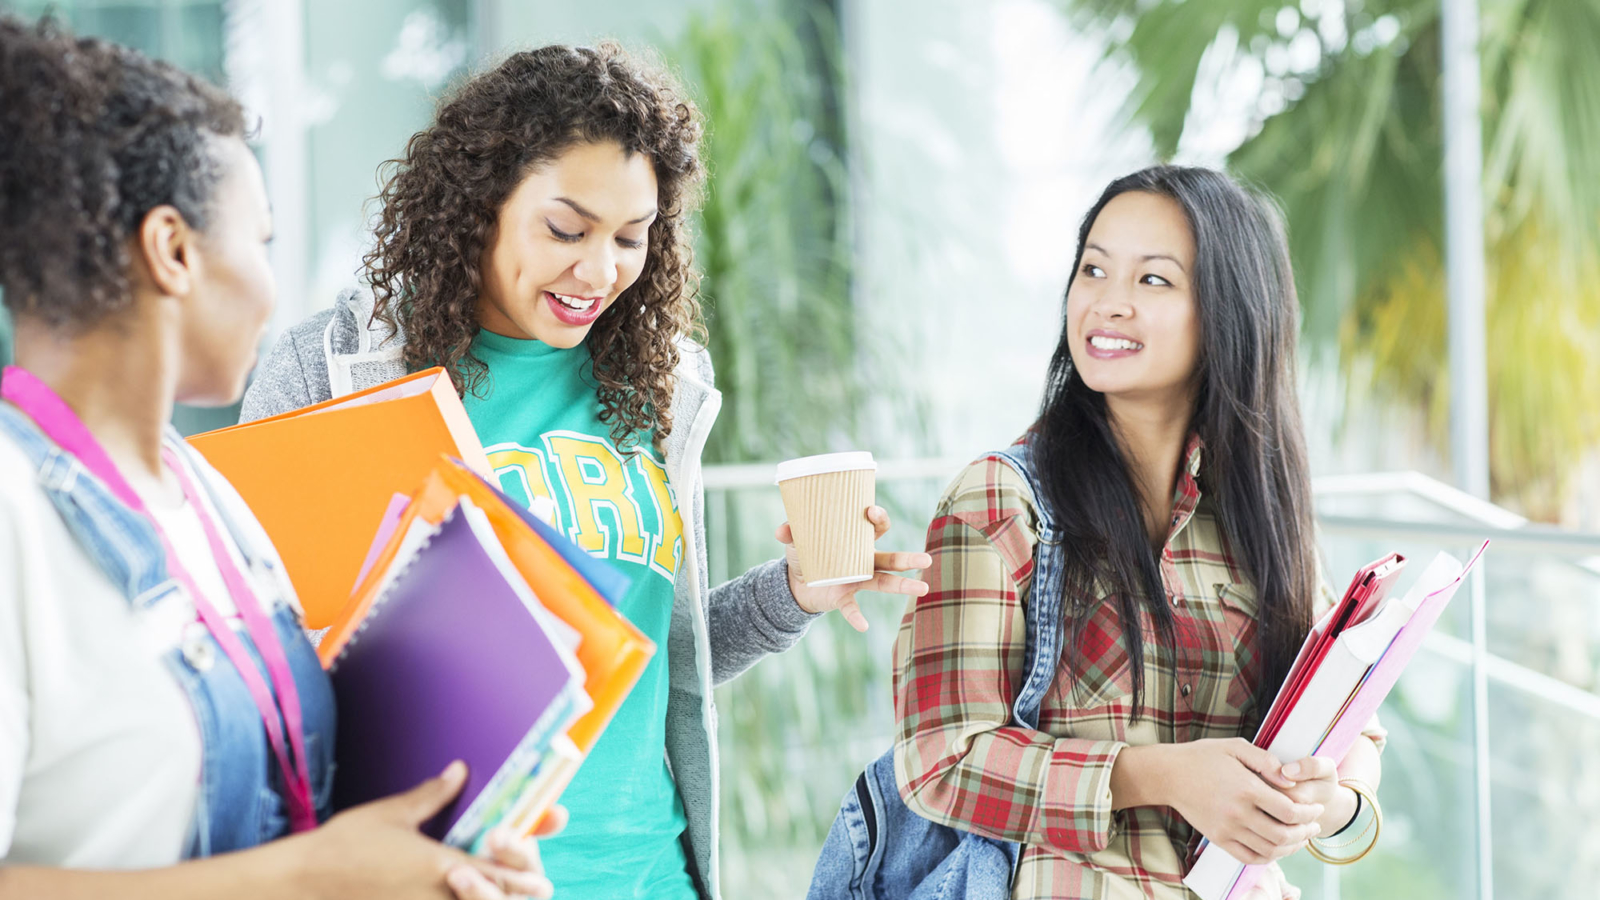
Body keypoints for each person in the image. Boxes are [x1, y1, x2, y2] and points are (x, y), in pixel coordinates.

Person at [240, 42, 931, 900]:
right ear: (479, 203)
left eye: (631, 237)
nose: (600, 270)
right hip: (444, 879)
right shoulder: (336, 367)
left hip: (650, 874)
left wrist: (795, 592)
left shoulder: (657, 385)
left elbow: (651, 660)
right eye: (566, 229)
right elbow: (260, 674)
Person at [0, 17, 555, 899]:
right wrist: (306, 879)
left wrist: (423, 855)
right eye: (259, 241)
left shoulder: (206, 492)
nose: (270, 283)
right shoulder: (13, 516)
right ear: (173, 252)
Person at [891, 166, 1386, 900]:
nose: (1107, 302)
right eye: (1093, 268)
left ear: (1228, 313)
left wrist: (1323, 798)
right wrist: (1162, 775)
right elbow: (939, 761)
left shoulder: (1265, 520)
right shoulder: (1000, 502)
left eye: (1153, 281)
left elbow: (1355, 738)